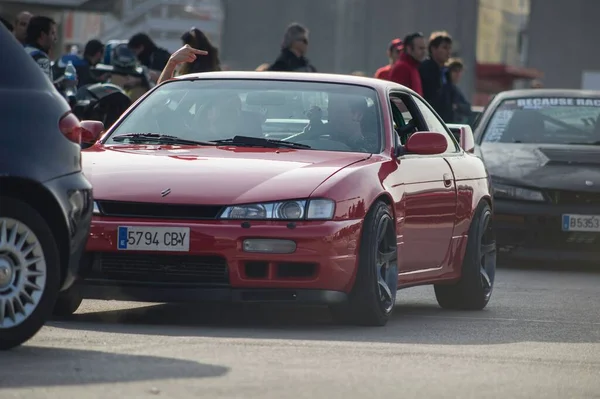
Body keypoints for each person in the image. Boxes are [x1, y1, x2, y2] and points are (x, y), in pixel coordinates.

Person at [419, 31, 454, 122]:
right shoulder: (426, 68)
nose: (448, 52)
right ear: (433, 49)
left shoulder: (445, 71)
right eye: (444, 48)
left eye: (449, 48)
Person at [23, 15, 57, 81]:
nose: (55, 38)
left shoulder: (22, 51)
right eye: (52, 33)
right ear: (42, 35)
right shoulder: (41, 59)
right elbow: (44, 88)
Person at [445, 58, 471, 123]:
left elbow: (467, 108)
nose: (458, 74)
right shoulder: (447, 88)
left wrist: (457, 106)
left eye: (459, 71)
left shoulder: (455, 89)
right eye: (455, 71)